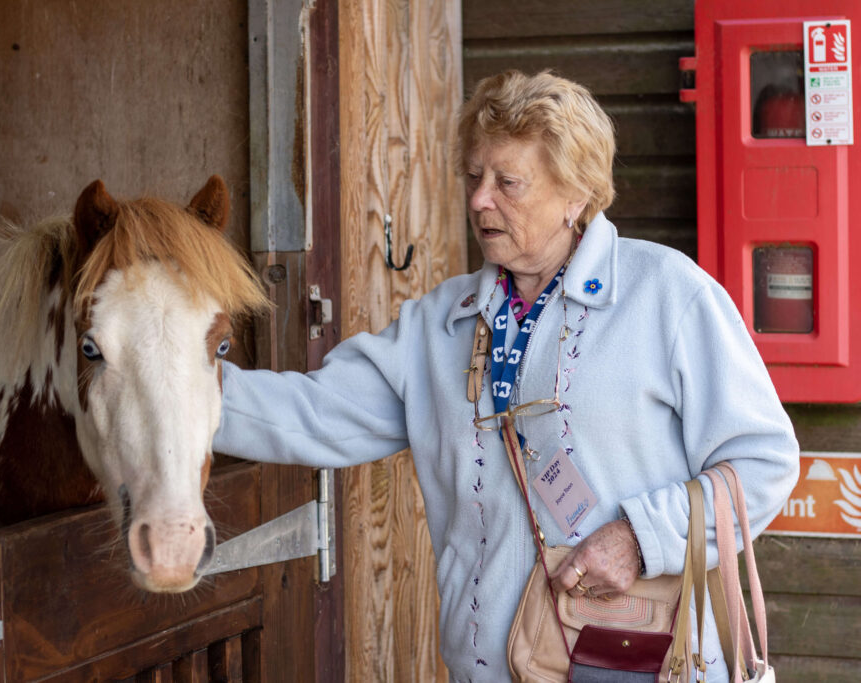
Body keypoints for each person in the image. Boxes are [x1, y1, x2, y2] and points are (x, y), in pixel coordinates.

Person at [213, 70, 799, 681]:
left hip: (647, 664)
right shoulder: (438, 327)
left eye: (507, 182)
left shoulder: (666, 295)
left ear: (576, 195)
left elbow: (763, 462)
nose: (478, 200)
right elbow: (314, 413)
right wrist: (183, 397)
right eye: (473, 176)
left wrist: (639, 537)